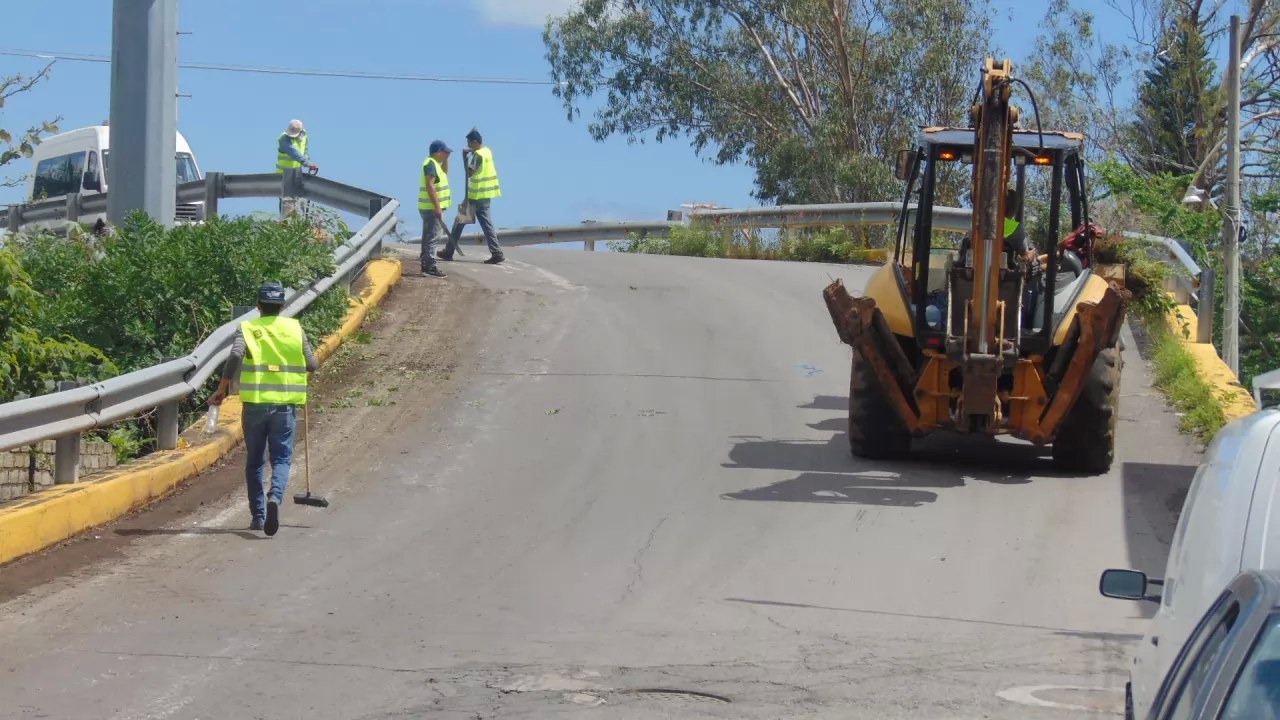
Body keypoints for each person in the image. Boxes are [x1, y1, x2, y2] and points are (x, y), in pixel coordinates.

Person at [209, 281, 318, 536]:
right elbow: (312, 364)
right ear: (282, 305)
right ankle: (275, 498)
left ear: (258, 305)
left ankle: (258, 517)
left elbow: (235, 356)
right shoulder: (294, 328)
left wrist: (222, 388)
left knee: (255, 461)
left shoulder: (247, 328)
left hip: (255, 405)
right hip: (285, 406)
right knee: (281, 459)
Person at [438, 128, 503, 265]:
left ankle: (449, 251)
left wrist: (464, 157)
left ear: (475, 142)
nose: (467, 145)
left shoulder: (478, 156)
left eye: (469, 142)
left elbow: (469, 172)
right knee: (486, 225)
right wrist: (471, 152)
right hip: (485, 195)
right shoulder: (487, 151)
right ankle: (496, 252)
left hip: (475, 196)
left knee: (459, 222)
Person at [418, 140, 452, 278]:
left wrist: (446, 159)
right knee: (433, 237)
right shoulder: (431, 164)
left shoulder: (434, 164)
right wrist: (437, 207)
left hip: (429, 207)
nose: (446, 154)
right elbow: (430, 186)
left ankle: (426, 264)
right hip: (431, 207)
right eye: (445, 152)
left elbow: (444, 173)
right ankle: (430, 267)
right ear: (438, 152)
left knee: (428, 236)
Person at [277, 120, 318, 219]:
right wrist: (307, 164)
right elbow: (294, 152)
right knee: (286, 202)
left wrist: (307, 160)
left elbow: (304, 151)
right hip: (284, 175)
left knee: (299, 202)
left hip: (297, 174)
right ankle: (284, 222)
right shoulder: (283, 139)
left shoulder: (304, 136)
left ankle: (297, 223)